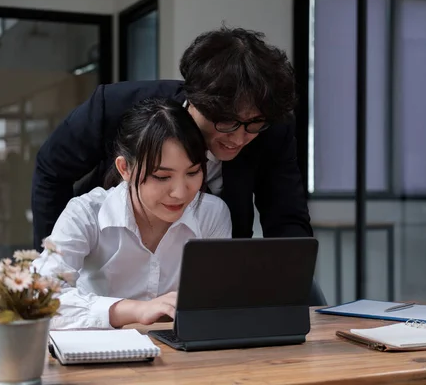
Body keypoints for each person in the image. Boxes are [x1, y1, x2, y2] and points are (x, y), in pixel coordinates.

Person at [32, 26, 312, 250]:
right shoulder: (115, 106)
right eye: (227, 122)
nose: (239, 138)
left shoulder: (273, 127)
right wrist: (58, 259)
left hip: (205, 280)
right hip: (110, 263)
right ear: (197, 99)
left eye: (254, 124)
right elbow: (51, 169)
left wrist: (286, 283)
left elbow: (287, 218)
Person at [33, 99, 232, 330]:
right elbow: (40, 298)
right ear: (124, 168)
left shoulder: (211, 214)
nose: (180, 193)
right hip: (96, 352)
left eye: (193, 172)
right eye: (161, 176)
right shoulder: (86, 213)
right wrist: (136, 310)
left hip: (180, 356)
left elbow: (215, 304)